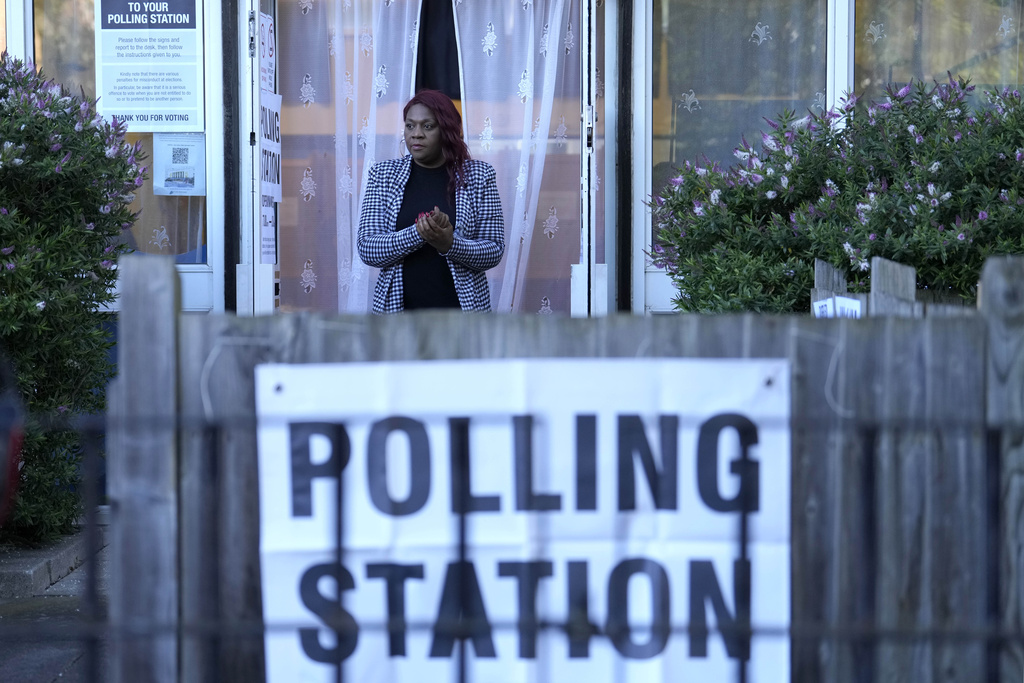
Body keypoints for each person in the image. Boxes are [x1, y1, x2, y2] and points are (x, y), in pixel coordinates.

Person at [357, 89, 505, 313]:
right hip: (398, 319)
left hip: (463, 316)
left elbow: (494, 249)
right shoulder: (383, 175)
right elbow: (367, 247)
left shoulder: (479, 176)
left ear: (447, 129)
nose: (416, 134)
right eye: (409, 125)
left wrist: (450, 244)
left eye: (427, 126)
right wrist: (419, 234)